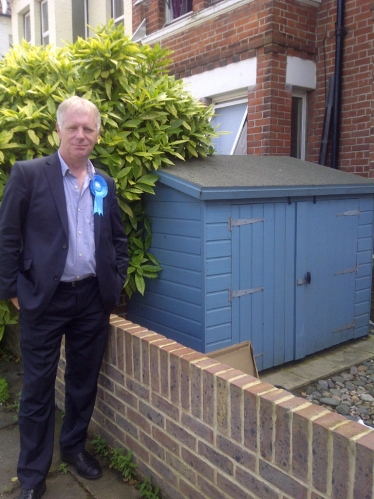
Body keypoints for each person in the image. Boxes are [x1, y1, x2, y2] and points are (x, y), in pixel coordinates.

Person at [0, 96, 129, 499]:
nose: (80, 134)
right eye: (73, 127)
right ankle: (34, 476)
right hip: (44, 299)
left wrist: (115, 276)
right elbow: (7, 236)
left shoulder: (102, 182)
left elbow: (118, 238)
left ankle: (73, 449)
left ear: (97, 133)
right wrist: (12, 290)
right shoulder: (28, 174)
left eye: (88, 128)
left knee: (82, 383)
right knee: (37, 391)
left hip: (91, 298)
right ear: (58, 129)